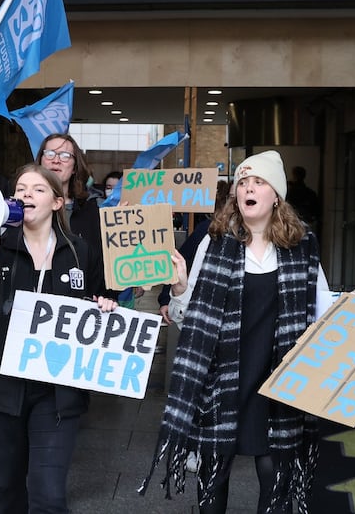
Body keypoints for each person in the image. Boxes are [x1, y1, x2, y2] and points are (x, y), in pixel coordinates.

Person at [139, 150, 331, 513]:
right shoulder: (214, 244)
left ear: (276, 195)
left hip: (278, 383)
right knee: (214, 476)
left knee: (275, 476)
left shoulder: (302, 247)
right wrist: (179, 289)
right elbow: (187, 317)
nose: (248, 188)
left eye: (258, 182)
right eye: (243, 182)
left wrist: (353, 308)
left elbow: (323, 311)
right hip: (222, 380)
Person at [0, 163, 118, 514]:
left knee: (48, 493)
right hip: (1, 389)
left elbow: (96, 302)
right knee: (9, 485)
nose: (26, 193)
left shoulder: (80, 252)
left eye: (38, 189)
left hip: (57, 393)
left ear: (57, 202)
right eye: (20, 188)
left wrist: (104, 305)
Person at [0, 73, 104, 253]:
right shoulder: (17, 201)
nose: (56, 160)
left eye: (64, 155)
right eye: (49, 153)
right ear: (39, 161)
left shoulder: (91, 209)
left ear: (74, 167)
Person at [157, 180, 232, 325]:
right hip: (201, 315)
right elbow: (178, 260)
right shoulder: (207, 230)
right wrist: (167, 299)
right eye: (233, 197)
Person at [286, 165, 320, 230]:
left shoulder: (289, 191)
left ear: (294, 176)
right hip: (306, 223)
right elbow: (316, 212)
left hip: (291, 223)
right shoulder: (310, 193)